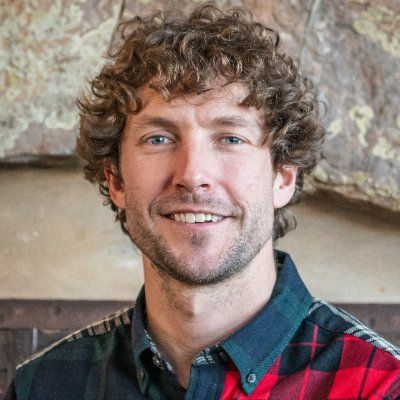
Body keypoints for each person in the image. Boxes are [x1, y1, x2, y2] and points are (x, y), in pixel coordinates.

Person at [5, 4, 399, 399]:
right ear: (116, 180)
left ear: (283, 177)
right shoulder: (43, 386)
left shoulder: (381, 386)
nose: (192, 175)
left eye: (230, 138)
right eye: (158, 138)